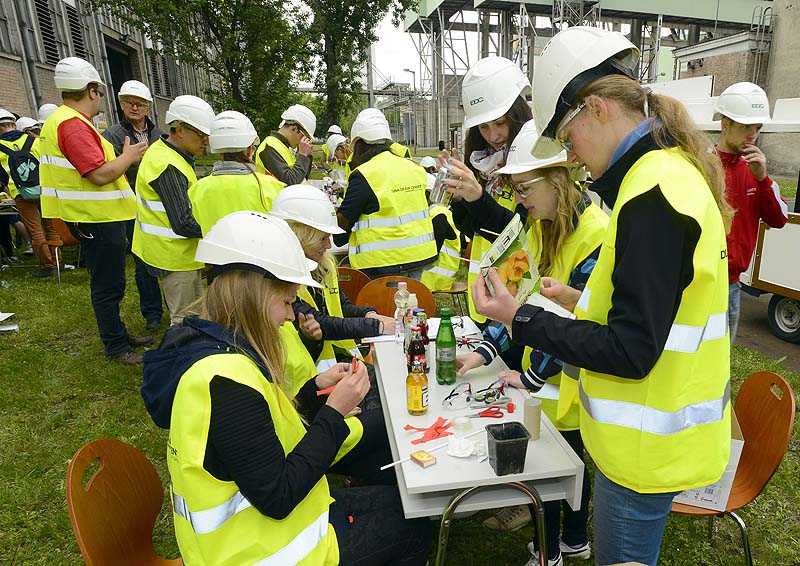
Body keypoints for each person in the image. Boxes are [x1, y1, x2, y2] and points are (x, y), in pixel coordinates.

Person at [473, 26, 733, 566]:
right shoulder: (661, 180)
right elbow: (652, 309)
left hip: (642, 452)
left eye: (568, 140)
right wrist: (575, 300)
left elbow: (630, 350)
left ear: (596, 108)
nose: (573, 157)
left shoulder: (652, 196)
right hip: (642, 442)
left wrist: (521, 318)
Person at [140, 211, 431, 565]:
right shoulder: (226, 381)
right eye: (288, 303)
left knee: (406, 507)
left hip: (264, 527)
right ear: (255, 297)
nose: (291, 317)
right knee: (414, 529)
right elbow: (278, 496)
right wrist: (334, 414)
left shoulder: (215, 350)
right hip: (261, 550)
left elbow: (261, 437)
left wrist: (312, 391)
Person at [456, 120, 606, 565]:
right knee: (562, 464)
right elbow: (515, 299)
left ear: (559, 179)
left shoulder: (597, 234)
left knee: (562, 468)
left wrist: (533, 375)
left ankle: (553, 551)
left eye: (524, 189)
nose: (518, 202)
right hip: (548, 373)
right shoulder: (538, 224)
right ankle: (570, 542)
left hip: (573, 374)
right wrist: (483, 349)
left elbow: (578, 326)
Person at [39, 57, 151, 364]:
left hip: (96, 216)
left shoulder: (65, 122)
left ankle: (117, 332)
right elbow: (99, 174)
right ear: (91, 90)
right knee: (107, 284)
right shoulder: (71, 125)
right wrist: (128, 156)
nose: (100, 97)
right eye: (99, 91)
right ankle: (115, 345)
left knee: (109, 281)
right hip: (95, 217)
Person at [442, 56, 533, 324]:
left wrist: (478, 198)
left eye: (500, 123)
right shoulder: (483, 162)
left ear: (518, 114)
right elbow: (473, 231)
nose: (493, 135)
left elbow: (522, 234)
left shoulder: (533, 161)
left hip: (518, 291)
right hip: (486, 291)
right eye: (484, 126)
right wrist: (460, 199)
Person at [270, 184, 395, 372]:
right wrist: (376, 325)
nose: (329, 245)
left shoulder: (323, 265)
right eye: (322, 238)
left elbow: (340, 306)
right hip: (309, 370)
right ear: (300, 237)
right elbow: (321, 321)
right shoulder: (279, 276)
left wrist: (368, 314)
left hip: (333, 358)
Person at [713, 82, 788, 343]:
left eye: (757, 127)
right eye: (746, 126)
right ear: (725, 124)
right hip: (698, 283)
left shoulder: (757, 171)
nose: (753, 134)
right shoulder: (703, 165)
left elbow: (778, 219)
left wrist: (763, 179)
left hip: (732, 286)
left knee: (722, 360)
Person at [131, 95, 215, 327]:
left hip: (181, 253)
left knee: (195, 312)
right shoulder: (166, 164)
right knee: (183, 318)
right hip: (174, 255)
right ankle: (180, 357)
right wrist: (221, 229)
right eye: (201, 135)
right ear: (179, 129)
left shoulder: (171, 154)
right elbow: (183, 223)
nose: (206, 141)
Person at [333, 108, 437, 278]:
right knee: (409, 303)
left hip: (383, 262)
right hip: (420, 256)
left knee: (386, 305)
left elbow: (344, 221)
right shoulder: (414, 168)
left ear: (358, 144)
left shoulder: (364, 174)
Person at [102, 80, 164, 331]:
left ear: (149, 107)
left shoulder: (158, 135)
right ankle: (152, 314)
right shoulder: (112, 136)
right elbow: (107, 170)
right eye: (129, 103)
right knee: (141, 259)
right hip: (128, 205)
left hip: (157, 203)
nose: (134, 107)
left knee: (160, 255)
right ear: (121, 104)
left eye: (140, 104)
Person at [190, 110, 284, 234]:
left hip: (213, 253)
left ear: (218, 150)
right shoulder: (273, 187)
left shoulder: (196, 190)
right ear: (250, 149)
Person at [0, 109, 60, 276]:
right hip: (45, 189)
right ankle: (57, 261)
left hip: (22, 194)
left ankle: (47, 266)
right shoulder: (34, 141)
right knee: (51, 227)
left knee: (35, 230)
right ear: (13, 124)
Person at [255, 103, 315, 184]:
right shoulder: (269, 147)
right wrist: (303, 155)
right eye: (305, 137)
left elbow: (302, 177)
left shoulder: (284, 147)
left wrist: (307, 156)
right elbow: (291, 181)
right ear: (293, 129)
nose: (306, 141)